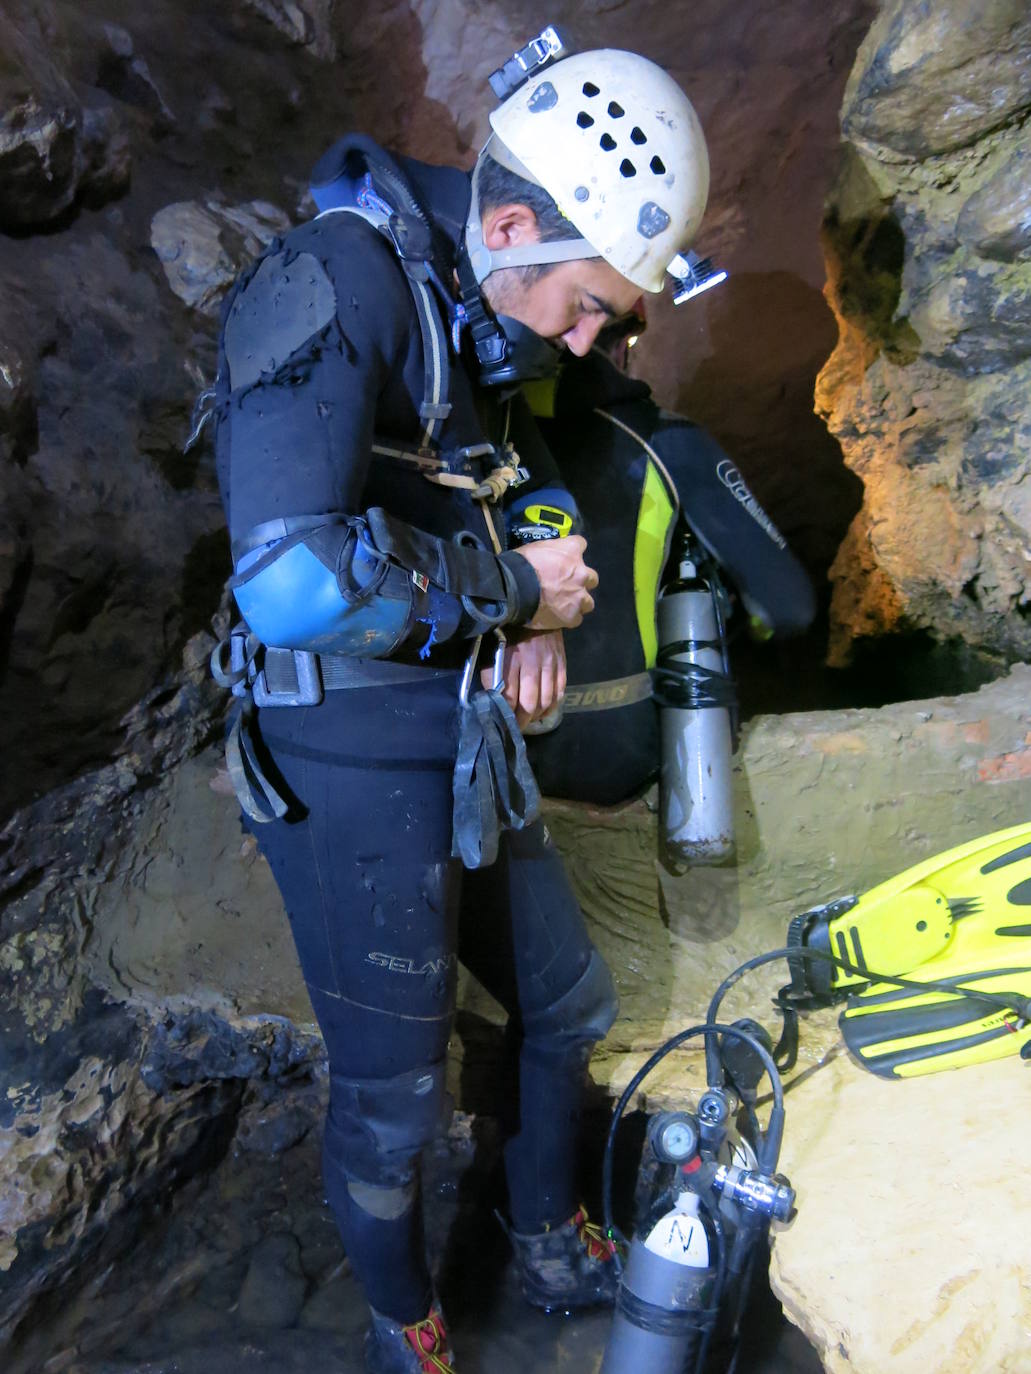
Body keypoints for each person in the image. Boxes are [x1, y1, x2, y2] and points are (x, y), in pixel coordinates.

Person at [211, 35, 711, 1374]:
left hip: (460, 725)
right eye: (587, 305)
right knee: (390, 1102)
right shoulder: (329, 284)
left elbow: (519, 465)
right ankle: (406, 1324)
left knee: (566, 1003)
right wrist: (502, 593)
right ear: (506, 224)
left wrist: (536, 596)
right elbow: (290, 582)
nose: (591, 337)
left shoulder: (474, 303)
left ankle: (544, 1227)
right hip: (346, 740)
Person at [521, 310, 816, 805]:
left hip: (492, 757)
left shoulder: (467, 439)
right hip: (616, 757)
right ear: (622, 348)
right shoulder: (668, 441)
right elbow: (788, 605)